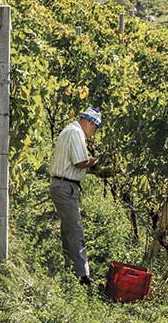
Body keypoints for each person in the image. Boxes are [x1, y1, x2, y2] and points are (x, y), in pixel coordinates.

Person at [49, 107, 102, 285]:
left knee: (68, 229)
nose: (93, 133)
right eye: (95, 128)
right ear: (89, 122)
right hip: (66, 186)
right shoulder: (75, 133)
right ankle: (83, 276)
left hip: (63, 185)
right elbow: (80, 163)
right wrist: (97, 162)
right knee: (75, 230)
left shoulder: (70, 130)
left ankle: (69, 270)